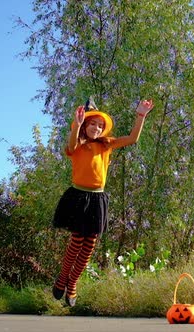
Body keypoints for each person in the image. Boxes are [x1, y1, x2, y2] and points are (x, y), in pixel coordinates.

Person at [51, 98, 154, 306]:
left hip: (97, 197)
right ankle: (62, 278)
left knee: (89, 245)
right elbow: (71, 144)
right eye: (92, 124)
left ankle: (73, 283)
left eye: (100, 125)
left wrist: (141, 115)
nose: (96, 128)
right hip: (79, 196)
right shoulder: (78, 145)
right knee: (77, 240)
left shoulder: (107, 144)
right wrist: (77, 125)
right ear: (84, 126)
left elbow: (133, 138)